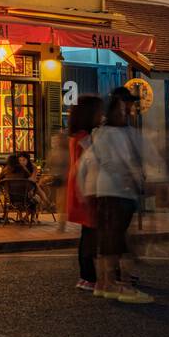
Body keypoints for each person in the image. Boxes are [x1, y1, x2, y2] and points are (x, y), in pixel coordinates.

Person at [77, 87, 156, 304]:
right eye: (126, 103)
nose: (130, 108)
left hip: (110, 191)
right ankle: (122, 285)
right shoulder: (109, 133)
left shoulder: (108, 132)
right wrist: (129, 178)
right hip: (116, 191)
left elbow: (86, 163)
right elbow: (108, 161)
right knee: (118, 242)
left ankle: (105, 283)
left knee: (110, 240)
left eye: (130, 103)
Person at [66, 95, 104, 291]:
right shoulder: (85, 139)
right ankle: (89, 275)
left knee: (88, 233)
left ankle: (87, 276)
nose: (101, 116)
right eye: (99, 112)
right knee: (91, 233)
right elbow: (95, 161)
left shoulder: (76, 137)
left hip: (79, 188)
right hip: (87, 189)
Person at [41, 129, 71, 231]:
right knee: (59, 201)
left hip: (64, 178)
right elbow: (49, 164)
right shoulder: (56, 152)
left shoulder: (66, 152)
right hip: (57, 178)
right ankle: (48, 203)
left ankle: (61, 223)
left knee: (61, 201)